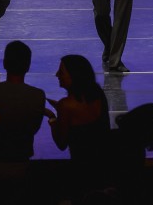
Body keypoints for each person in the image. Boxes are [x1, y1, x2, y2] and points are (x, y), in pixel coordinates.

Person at [0, 40, 46, 204]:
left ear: (5, 63)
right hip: (19, 166)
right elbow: (32, 128)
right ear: (28, 66)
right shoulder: (37, 95)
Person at [45, 54, 111, 199]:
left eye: (61, 72)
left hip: (81, 172)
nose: (57, 75)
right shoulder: (99, 95)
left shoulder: (66, 105)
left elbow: (61, 143)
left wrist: (52, 118)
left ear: (74, 75)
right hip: (103, 168)